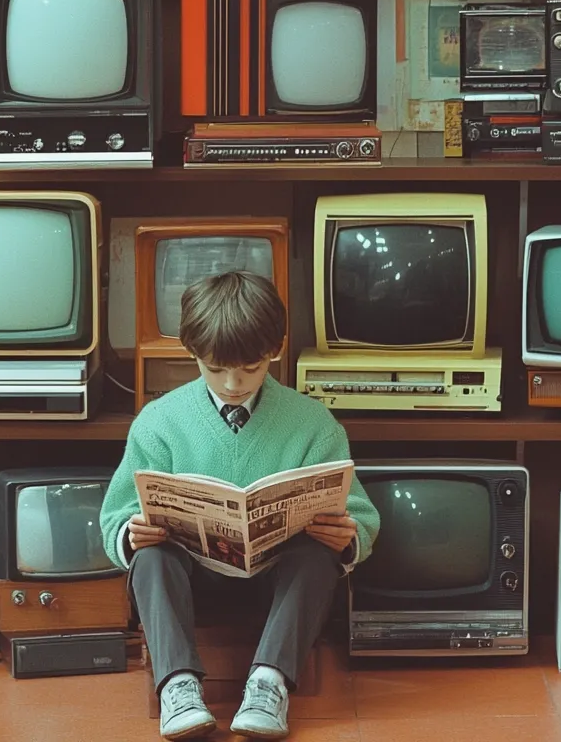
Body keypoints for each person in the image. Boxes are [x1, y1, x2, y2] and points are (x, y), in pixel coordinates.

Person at [100, 271, 380, 741]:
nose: (233, 383)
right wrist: (130, 534)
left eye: (250, 368)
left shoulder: (313, 423)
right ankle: (178, 686)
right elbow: (116, 514)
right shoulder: (159, 422)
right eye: (215, 368)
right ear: (192, 352)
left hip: (279, 585)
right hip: (191, 580)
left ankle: (268, 684)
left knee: (317, 556)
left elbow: (361, 514)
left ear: (276, 349)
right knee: (151, 558)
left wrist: (349, 536)